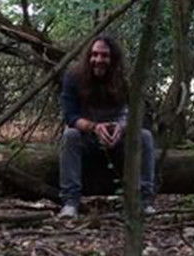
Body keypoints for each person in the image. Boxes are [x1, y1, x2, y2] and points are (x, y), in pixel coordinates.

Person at [58, 36, 156, 218]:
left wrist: (123, 127)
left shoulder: (125, 80)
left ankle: (144, 201)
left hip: (119, 141)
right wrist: (94, 127)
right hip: (88, 139)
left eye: (104, 55)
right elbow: (70, 116)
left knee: (145, 136)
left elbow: (141, 114)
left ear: (113, 59)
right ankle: (70, 202)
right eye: (94, 54)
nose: (99, 60)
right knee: (70, 136)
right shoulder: (73, 77)